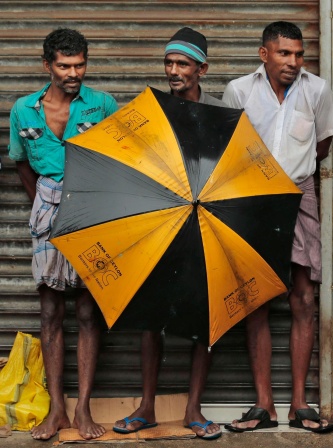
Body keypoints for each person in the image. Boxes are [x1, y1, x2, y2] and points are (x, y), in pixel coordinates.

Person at [222, 21, 333, 432]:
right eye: (285, 53)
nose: (293, 62)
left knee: (304, 298)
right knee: (256, 299)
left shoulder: (317, 89)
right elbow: (229, 145)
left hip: (300, 192)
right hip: (251, 196)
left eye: (299, 54)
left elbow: (323, 143)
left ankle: (300, 405)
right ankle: (264, 406)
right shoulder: (239, 90)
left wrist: (294, 173)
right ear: (264, 54)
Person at [112, 27, 223, 440]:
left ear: (202, 69)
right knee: (149, 317)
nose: (173, 71)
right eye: (169, 63)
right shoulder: (149, 109)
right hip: (158, 219)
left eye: (183, 64)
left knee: (203, 318)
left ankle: (194, 410)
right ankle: (146, 407)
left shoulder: (220, 112)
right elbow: (131, 159)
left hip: (203, 222)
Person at [8, 28, 119, 440]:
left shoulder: (103, 104)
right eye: (64, 65)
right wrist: (46, 208)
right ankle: (56, 410)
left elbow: (121, 162)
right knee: (51, 312)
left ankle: (84, 409)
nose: (73, 73)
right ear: (47, 66)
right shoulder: (23, 110)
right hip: (48, 209)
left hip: (93, 207)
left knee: (89, 312)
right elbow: (22, 164)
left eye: (79, 65)